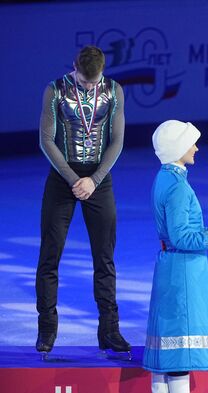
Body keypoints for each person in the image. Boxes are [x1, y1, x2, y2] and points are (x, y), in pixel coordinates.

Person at [35, 45, 130, 355]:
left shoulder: (114, 90)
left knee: (104, 258)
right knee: (50, 256)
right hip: (63, 180)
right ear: (73, 67)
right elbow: (46, 139)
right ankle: (47, 330)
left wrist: (95, 179)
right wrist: (74, 179)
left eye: (94, 81)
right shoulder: (55, 90)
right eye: (84, 81)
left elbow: (117, 140)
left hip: (98, 180)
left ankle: (109, 330)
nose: (90, 86)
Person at [143, 120, 208, 393]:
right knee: (181, 352)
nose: (197, 148)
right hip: (184, 274)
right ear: (178, 147)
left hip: (171, 266)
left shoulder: (164, 177)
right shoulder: (178, 188)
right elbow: (181, 238)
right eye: (191, 142)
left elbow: (178, 231)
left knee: (166, 354)